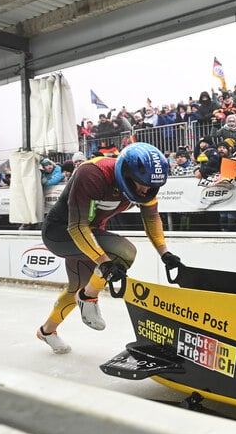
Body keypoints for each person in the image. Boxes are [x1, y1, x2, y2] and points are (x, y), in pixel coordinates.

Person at [36, 143, 182, 354]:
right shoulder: (92, 173)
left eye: (151, 187)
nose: (146, 191)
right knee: (124, 252)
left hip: (90, 235)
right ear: (126, 174)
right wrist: (104, 263)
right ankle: (88, 297)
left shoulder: (148, 184)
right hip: (60, 233)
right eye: (141, 185)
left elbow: (151, 218)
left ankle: (47, 331)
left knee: (75, 289)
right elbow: (77, 226)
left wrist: (164, 253)